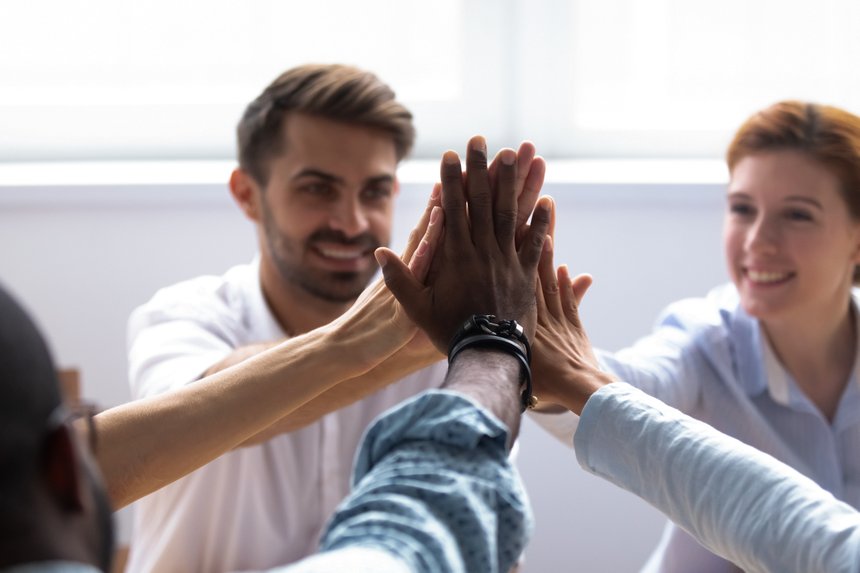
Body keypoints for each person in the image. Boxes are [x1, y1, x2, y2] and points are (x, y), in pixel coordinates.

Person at [124, 64, 545, 572]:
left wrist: (501, 346)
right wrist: (378, 348)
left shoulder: (443, 343)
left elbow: (483, 538)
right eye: (318, 189)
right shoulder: (182, 317)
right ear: (247, 194)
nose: (351, 223)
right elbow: (188, 413)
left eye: (374, 191)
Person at [532, 100, 860, 572]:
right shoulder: (704, 340)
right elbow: (622, 386)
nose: (758, 241)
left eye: (798, 215)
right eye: (743, 209)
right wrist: (536, 356)